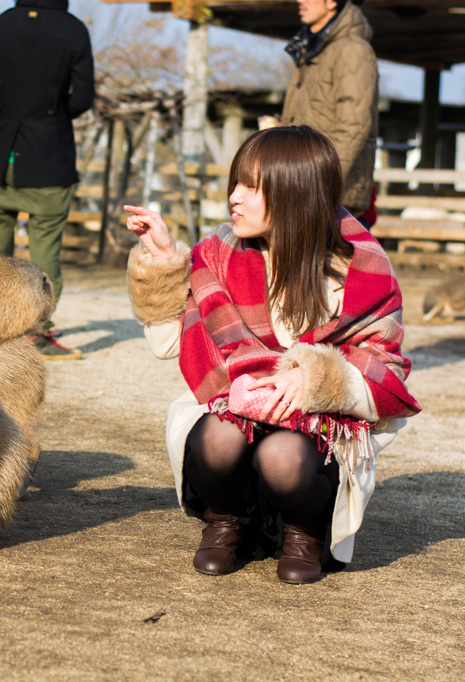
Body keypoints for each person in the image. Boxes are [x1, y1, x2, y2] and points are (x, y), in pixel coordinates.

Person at [124, 126, 421, 584]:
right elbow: (168, 345)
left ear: (298, 193)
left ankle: (304, 531)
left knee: (284, 455)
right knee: (218, 437)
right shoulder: (220, 252)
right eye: (236, 183)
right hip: (237, 408)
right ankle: (227, 520)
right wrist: (166, 262)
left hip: (313, 429)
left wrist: (316, 379)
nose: (234, 198)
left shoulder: (359, 267)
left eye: (252, 186)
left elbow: (388, 371)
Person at [0, 0, 94, 360]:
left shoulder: (2, 24)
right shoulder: (72, 30)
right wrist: (55, 113)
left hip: (2, 154)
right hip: (48, 156)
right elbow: (82, 98)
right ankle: (33, 335)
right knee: (44, 254)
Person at [278, 0, 378, 223]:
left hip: (332, 202)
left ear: (332, 2)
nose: (299, 1)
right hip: (301, 191)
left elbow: (354, 126)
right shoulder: (309, 48)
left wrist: (322, 185)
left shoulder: (352, 50)